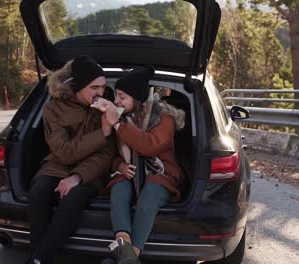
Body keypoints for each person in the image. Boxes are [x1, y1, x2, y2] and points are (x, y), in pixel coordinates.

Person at [27, 55, 117, 264]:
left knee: (73, 198)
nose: (100, 93)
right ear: (78, 86)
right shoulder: (53, 108)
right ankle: (40, 257)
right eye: (94, 87)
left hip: (91, 173)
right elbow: (63, 151)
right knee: (37, 194)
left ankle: (39, 258)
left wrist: (77, 176)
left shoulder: (108, 109)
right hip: (57, 165)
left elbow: (107, 155)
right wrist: (102, 132)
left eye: (103, 87)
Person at [98, 65, 186, 264]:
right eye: (116, 96)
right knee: (118, 189)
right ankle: (125, 255)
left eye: (122, 97)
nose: (116, 101)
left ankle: (129, 258)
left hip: (161, 172)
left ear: (136, 98)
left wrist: (119, 125)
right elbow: (109, 153)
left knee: (149, 195)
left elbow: (150, 146)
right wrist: (119, 165)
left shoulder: (165, 117)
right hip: (130, 171)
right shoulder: (119, 116)